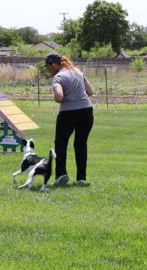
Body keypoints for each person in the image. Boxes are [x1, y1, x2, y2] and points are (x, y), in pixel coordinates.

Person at [41, 52, 94, 187]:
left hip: (68, 113)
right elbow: (90, 91)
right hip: (86, 111)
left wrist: (61, 97)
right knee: (80, 144)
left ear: (53, 64)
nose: (47, 70)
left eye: (48, 67)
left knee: (61, 143)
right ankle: (81, 178)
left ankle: (61, 175)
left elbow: (59, 97)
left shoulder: (58, 77)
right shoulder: (77, 71)